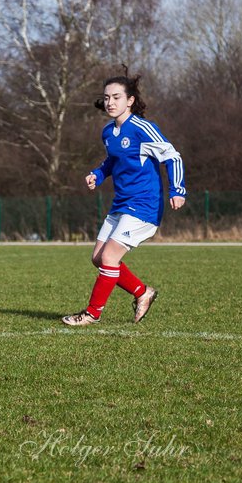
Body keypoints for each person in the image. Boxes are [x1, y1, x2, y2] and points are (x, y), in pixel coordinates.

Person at [62, 68, 186, 326]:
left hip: (144, 205)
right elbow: (112, 161)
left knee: (109, 258)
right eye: (107, 98)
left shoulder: (142, 128)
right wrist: (97, 173)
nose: (110, 102)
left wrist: (177, 190)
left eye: (116, 97)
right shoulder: (109, 132)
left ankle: (92, 314)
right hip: (121, 204)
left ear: (130, 101)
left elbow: (172, 156)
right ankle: (143, 292)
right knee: (97, 258)